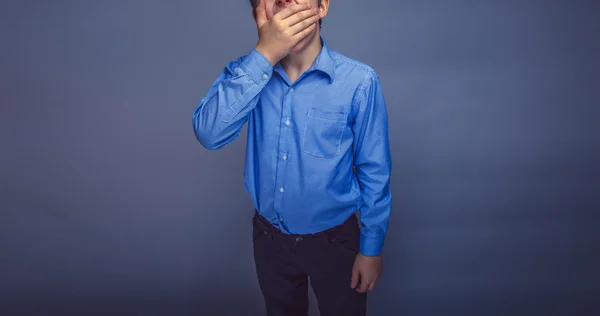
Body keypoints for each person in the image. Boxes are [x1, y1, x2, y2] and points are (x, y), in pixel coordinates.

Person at [192, 0, 392, 315]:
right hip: (270, 241)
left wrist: (371, 248)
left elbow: (374, 170)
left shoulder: (360, 82)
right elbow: (208, 133)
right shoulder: (244, 76)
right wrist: (264, 56)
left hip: (336, 241)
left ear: (322, 6)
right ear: (260, 14)